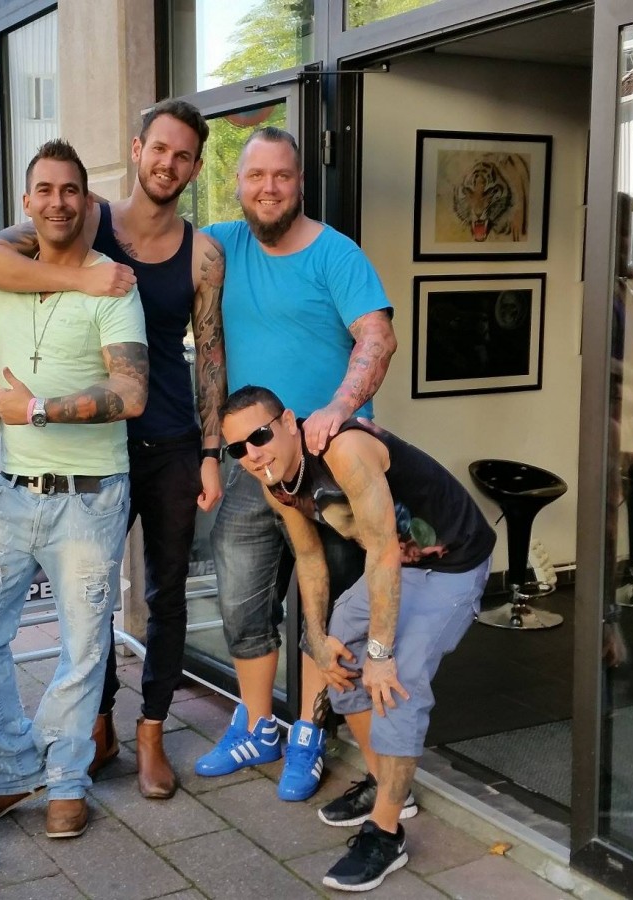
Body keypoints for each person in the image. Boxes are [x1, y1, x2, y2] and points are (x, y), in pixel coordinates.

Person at [0, 99, 226, 800]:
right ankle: (98, 722)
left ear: (195, 168)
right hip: (91, 448)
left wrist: (210, 451)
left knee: (167, 593)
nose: (168, 163)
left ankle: (151, 732)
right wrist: (81, 277)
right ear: (137, 150)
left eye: (183, 155)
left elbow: (210, 356)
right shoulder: (88, 215)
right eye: (159, 148)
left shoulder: (203, 254)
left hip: (169, 442)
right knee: (93, 601)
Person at [218, 385, 495, 892]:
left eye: (259, 436)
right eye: (237, 448)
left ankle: (386, 835)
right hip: (395, 564)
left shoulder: (342, 450)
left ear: (289, 422)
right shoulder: (274, 482)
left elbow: (384, 550)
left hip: (453, 562)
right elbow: (309, 559)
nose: (252, 454)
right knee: (337, 656)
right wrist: (319, 637)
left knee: (399, 676)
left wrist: (381, 654)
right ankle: (385, 784)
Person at [192, 127, 397, 806]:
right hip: (252, 465)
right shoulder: (221, 246)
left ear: (300, 182)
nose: (268, 188)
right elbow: (138, 238)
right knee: (242, 602)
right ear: (238, 183)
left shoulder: (336, 254)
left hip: (326, 470)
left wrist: (338, 406)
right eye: (256, 176)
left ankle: (308, 730)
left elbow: (377, 335)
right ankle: (257, 726)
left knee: (326, 606)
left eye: (281, 175)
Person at [0, 138, 148, 840]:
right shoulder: (2, 268)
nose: (58, 202)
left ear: (88, 201)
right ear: (26, 202)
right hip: (9, 492)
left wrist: (36, 409)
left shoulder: (115, 284)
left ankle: (66, 779)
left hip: (91, 498)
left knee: (84, 648)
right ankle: (10, 769)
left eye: (71, 190)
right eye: (45, 189)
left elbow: (131, 392)